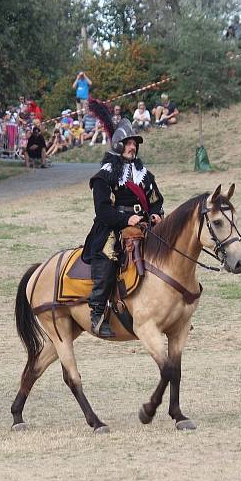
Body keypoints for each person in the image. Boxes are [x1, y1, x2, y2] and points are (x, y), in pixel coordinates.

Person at [82, 100, 164, 338]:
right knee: (109, 256)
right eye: (128, 143)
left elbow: (156, 199)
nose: (133, 147)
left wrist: (158, 213)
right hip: (112, 227)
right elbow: (103, 211)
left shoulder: (144, 174)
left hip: (145, 225)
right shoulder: (104, 176)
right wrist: (126, 219)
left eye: (134, 144)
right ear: (118, 146)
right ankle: (97, 313)